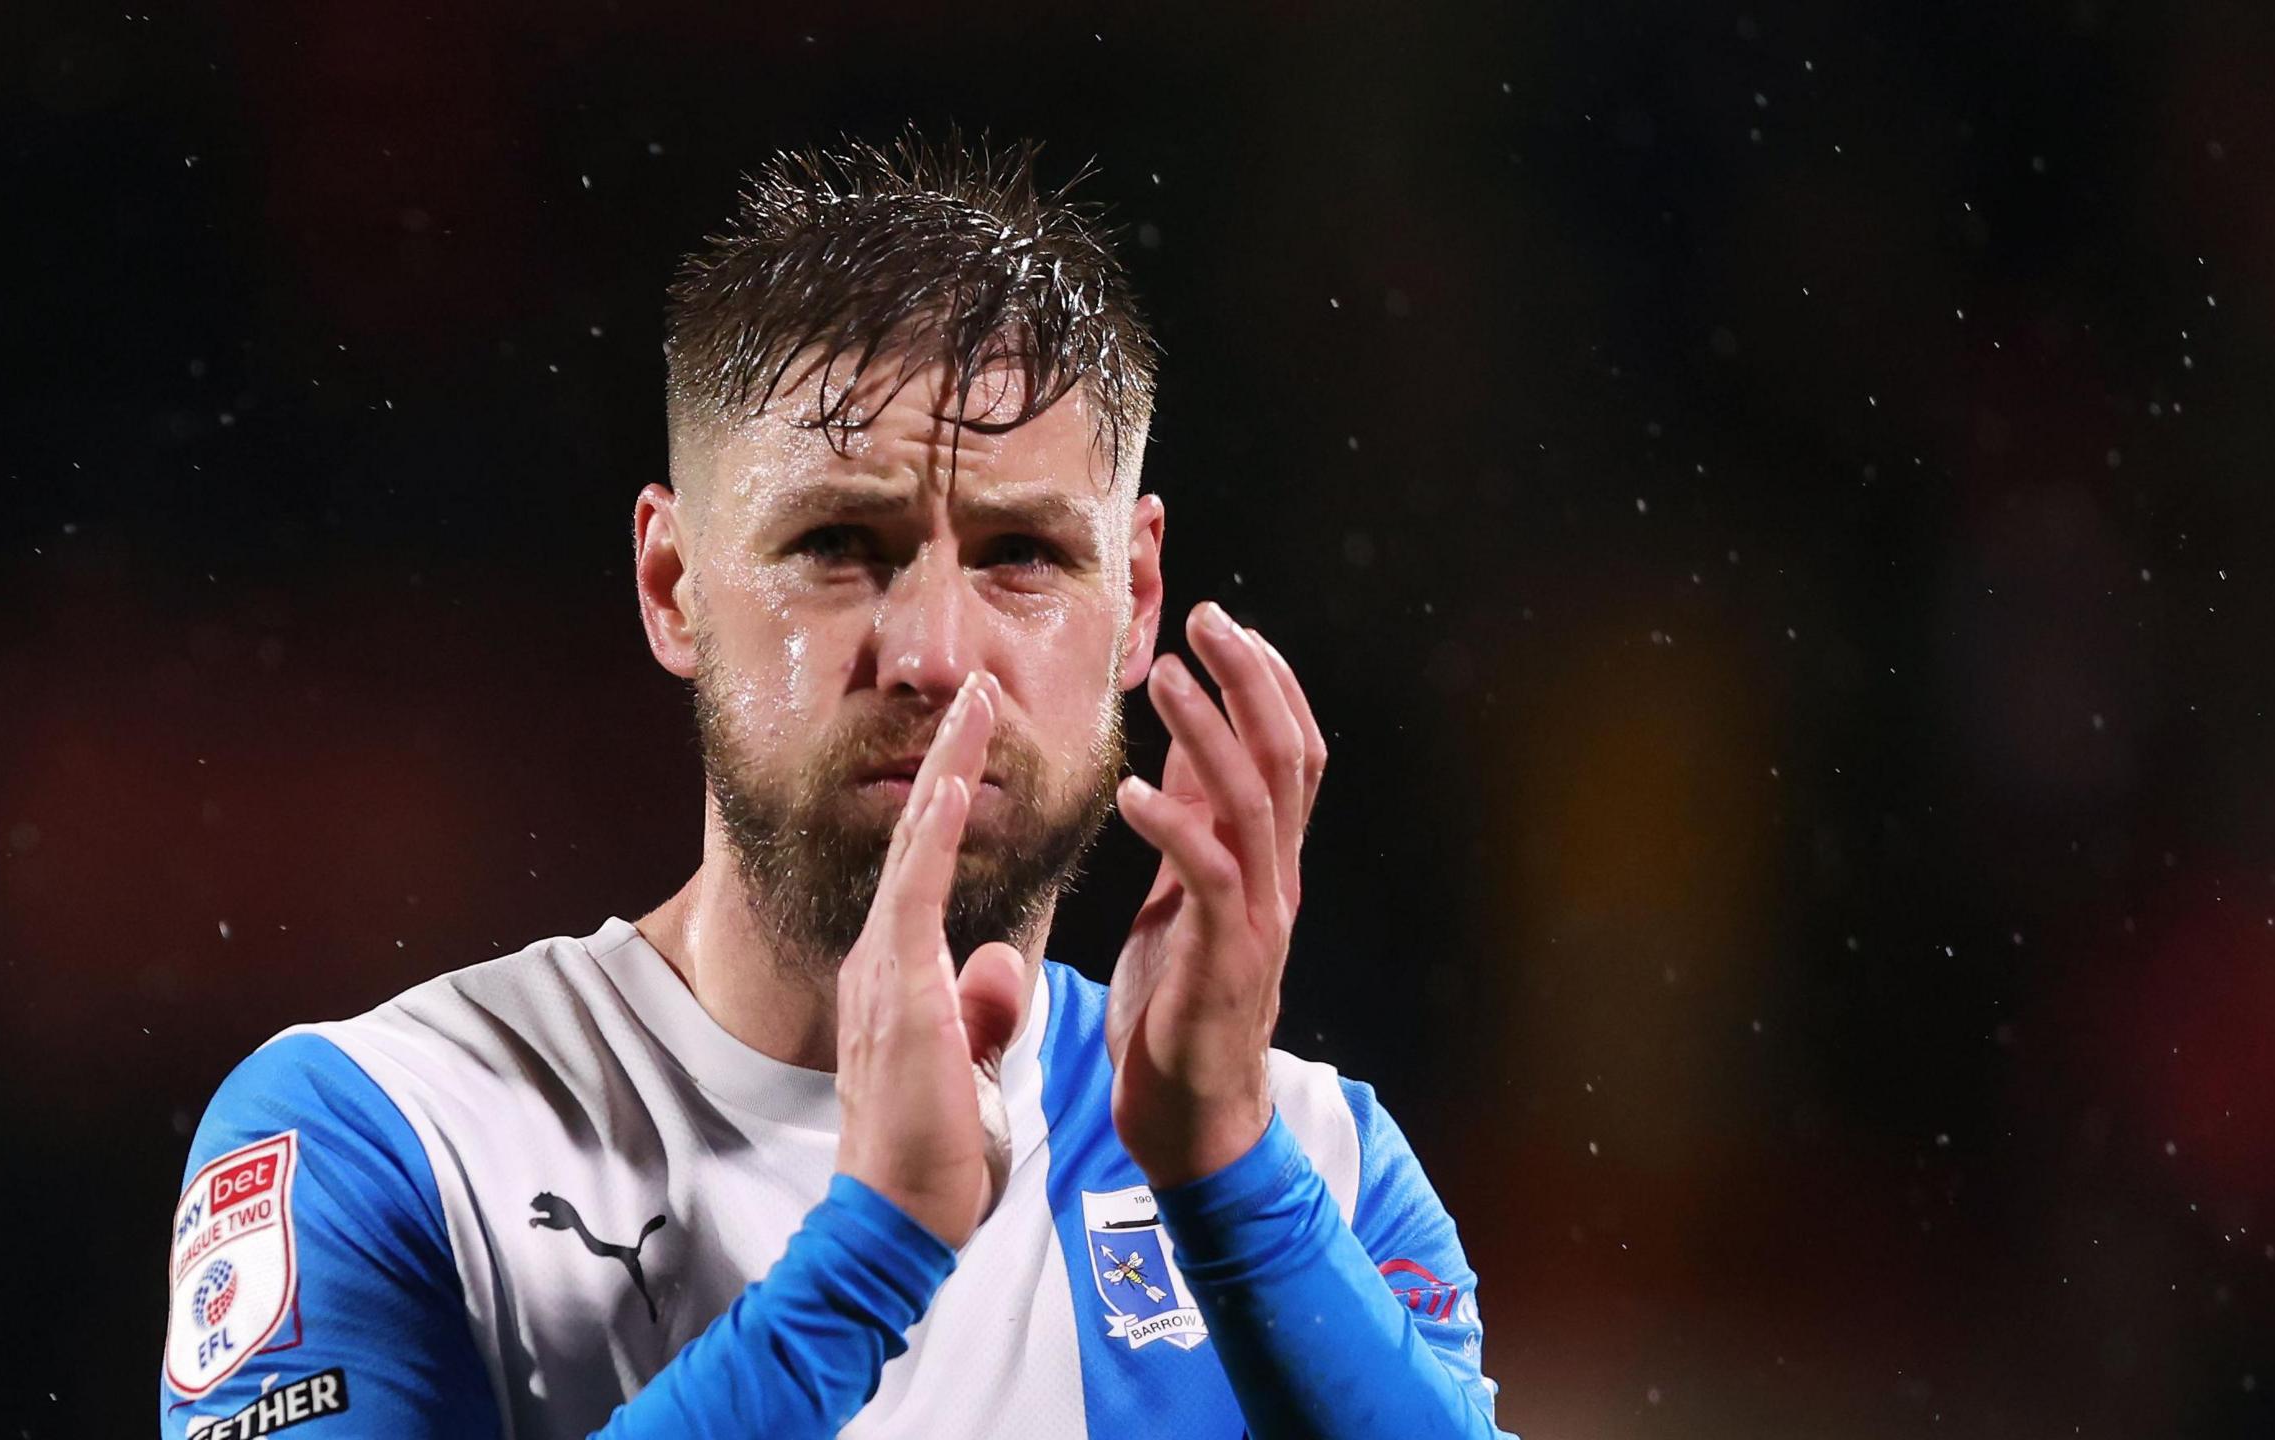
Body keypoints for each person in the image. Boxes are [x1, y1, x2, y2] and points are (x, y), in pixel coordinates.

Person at [158, 129, 1515, 1440]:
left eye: (1022, 554)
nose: (930, 655)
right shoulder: (392, 1134)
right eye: (839, 544)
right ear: (673, 585)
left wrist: (1229, 1179)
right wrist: (873, 1252)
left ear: (1139, 597)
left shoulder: (1315, 1166)